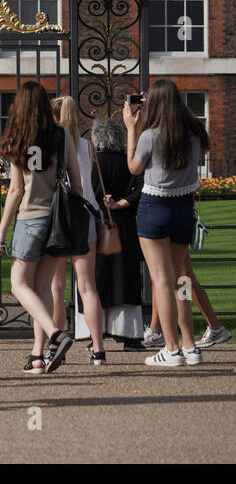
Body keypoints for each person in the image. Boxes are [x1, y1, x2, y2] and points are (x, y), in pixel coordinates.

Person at [0, 81, 82, 375]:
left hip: (30, 219)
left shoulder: (19, 137)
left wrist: (0, 233)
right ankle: (37, 355)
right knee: (42, 288)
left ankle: (56, 333)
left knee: (19, 285)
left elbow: (16, 191)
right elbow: (77, 184)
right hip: (57, 220)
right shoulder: (63, 136)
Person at [124, 79, 208, 367]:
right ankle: (189, 345)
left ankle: (171, 349)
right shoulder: (194, 133)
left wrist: (131, 129)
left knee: (162, 280)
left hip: (155, 208)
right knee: (180, 279)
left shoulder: (149, 135)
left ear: (155, 103)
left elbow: (133, 168)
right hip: (183, 209)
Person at [49, 96, 107, 364]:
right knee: (87, 286)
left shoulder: (52, 144)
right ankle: (98, 349)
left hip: (61, 216)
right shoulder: (87, 145)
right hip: (86, 214)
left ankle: (56, 343)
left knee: (56, 286)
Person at [89, 117, 146, 349]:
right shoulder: (128, 161)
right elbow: (143, 187)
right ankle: (129, 335)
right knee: (127, 278)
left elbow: (87, 193)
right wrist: (123, 202)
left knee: (97, 278)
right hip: (124, 222)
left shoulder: (94, 162)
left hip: (98, 222)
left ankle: (95, 335)